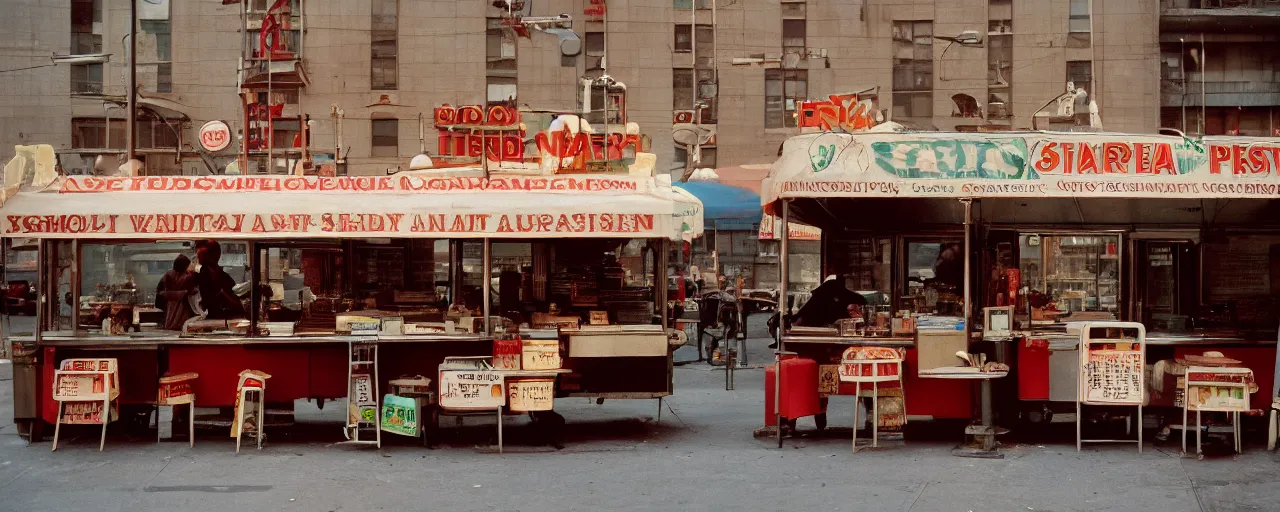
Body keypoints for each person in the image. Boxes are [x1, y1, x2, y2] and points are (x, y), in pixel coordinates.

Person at [194, 240, 245, 319]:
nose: (197, 256)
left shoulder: (217, 276)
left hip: (222, 315)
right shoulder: (205, 273)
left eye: (200, 255)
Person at [155, 254, 196, 330]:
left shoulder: (168, 274)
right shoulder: (188, 276)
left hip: (170, 303)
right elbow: (192, 291)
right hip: (183, 304)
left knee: (170, 320)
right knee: (181, 323)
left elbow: (160, 290)